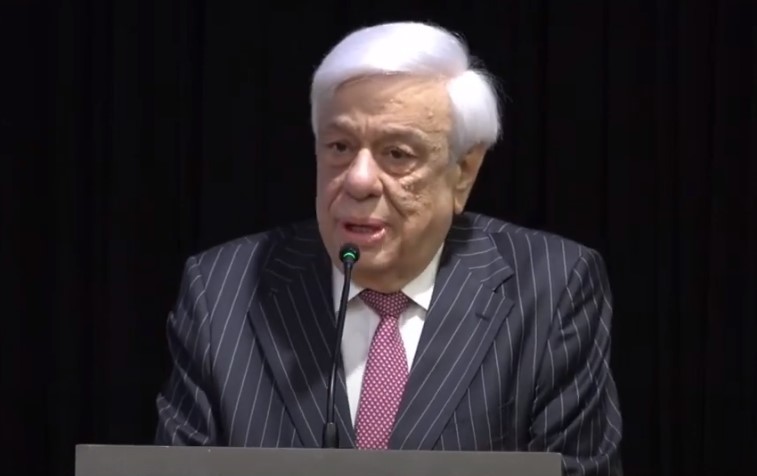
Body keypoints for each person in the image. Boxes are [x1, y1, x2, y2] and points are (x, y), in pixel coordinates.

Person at [154, 21, 623, 476]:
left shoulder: (551, 288)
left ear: (463, 173)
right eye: (339, 147)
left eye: (397, 154)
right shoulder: (220, 291)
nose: (358, 180)